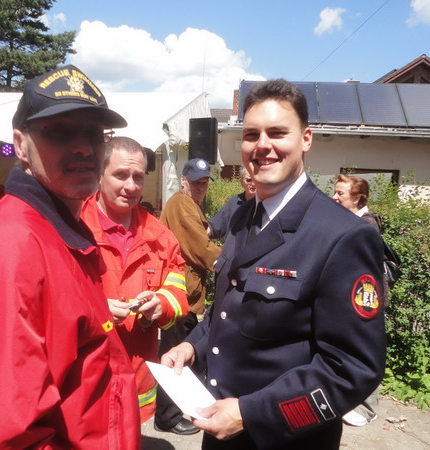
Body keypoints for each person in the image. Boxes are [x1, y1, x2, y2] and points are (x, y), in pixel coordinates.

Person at [161, 79, 386, 449]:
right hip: (218, 426)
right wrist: (192, 347)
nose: (262, 146)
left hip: (283, 438)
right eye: (251, 134)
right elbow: (226, 310)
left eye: (277, 133)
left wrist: (252, 414)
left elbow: (353, 369)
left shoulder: (343, 235)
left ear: (306, 139)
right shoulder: (242, 217)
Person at [0, 65, 141, 449]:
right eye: (59, 132)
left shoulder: (60, 234)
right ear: (21, 144)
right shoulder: (5, 248)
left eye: (94, 133)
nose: (83, 147)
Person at [80, 136, 189, 423]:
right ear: (98, 175)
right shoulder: (71, 229)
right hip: (83, 382)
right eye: (120, 175)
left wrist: (161, 304)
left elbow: (179, 294)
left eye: (138, 177)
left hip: (135, 382)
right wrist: (95, 310)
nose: (131, 186)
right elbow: (46, 301)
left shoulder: (161, 237)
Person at [154, 157, 221, 435]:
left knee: (182, 354)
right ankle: (167, 418)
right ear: (183, 181)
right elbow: (201, 249)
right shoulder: (182, 204)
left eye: (205, 183)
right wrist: (239, 260)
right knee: (174, 357)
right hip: (178, 296)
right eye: (196, 182)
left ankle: (175, 411)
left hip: (185, 296)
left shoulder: (189, 204)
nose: (201, 187)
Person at [333, 174, 387, 427]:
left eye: (340, 193)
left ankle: (368, 409)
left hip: (365, 302)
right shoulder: (350, 221)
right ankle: (350, 400)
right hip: (350, 300)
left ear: (357, 198)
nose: (334, 197)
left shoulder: (367, 225)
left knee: (366, 350)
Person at [207, 166, 256, 239]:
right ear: (241, 182)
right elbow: (215, 226)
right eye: (249, 180)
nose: (253, 184)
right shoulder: (234, 201)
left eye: (256, 180)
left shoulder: (267, 204)